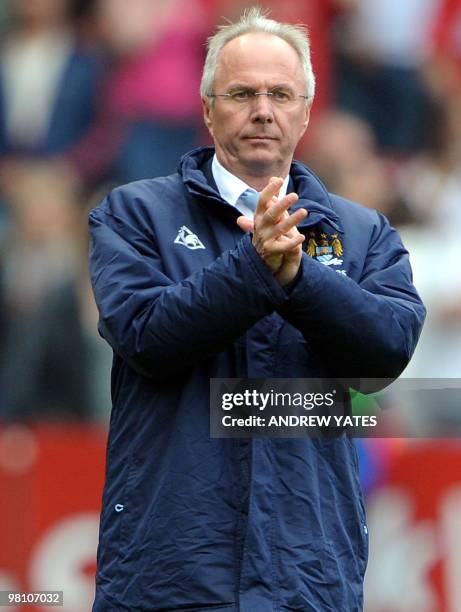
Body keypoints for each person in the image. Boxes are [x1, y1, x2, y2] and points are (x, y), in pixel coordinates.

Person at [89, 8, 426, 611]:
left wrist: (300, 278)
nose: (263, 109)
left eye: (280, 94)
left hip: (308, 570)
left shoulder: (364, 231)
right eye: (242, 93)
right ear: (207, 108)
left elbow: (387, 351)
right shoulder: (133, 214)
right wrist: (256, 267)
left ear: (305, 110)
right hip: (171, 568)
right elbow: (146, 337)